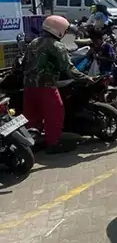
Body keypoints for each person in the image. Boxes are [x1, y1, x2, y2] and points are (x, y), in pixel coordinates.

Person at [23, 15, 90, 154]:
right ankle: (53, 143)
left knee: (32, 115)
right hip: (46, 85)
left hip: (28, 85)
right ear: (59, 30)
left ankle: (31, 142)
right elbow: (69, 68)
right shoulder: (56, 45)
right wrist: (86, 78)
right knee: (55, 113)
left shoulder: (34, 42)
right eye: (65, 31)